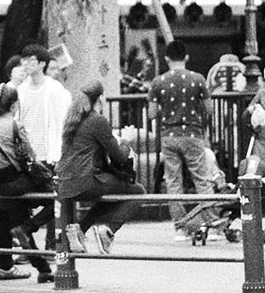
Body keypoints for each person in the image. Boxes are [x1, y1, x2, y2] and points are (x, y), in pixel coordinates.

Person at [0, 83, 54, 283]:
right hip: (13, 180)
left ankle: (43, 270)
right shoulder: (14, 124)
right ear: (14, 104)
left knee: (15, 221)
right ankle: (31, 226)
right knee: (58, 199)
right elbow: (30, 156)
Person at [57, 81, 145, 255]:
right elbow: (119, 156)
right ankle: (108, 230)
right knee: (138, 191)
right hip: (87, 180)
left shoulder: (72, 119)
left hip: (66, 183)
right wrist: (127, 139)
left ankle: (80, 230)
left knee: (108, 195)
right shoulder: (97, 120)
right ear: (101, 99)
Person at [149, 40, 217, 240]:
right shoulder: (198, 79)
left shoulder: (158, 82)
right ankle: (210, 224)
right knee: (202, 180)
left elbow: (152, 114)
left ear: (167, 58)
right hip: (193, 135)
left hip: (169, 136)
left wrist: (167, 110)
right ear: (186, 57)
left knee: (173, 181)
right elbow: (209, 109)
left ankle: (180, 228)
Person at [15, 44, 71, 166]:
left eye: (31, 60)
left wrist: (59, 153)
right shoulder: (21, 90)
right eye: (24, 60)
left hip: (48, 153)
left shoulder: (55, 89)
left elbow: (62, 122)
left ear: (42, 64)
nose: (26, 63)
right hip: (27, 153)